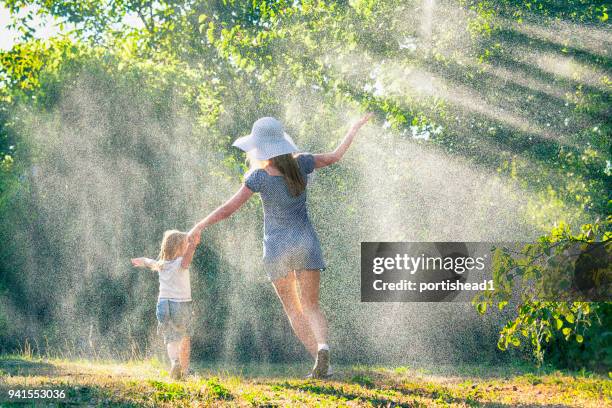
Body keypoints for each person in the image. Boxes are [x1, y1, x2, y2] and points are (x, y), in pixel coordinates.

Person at [189, 113, 373, 378]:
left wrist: (199, 226)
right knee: (312, 307)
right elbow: (335, 156)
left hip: (277, 249)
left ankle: (323, 365)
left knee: (294, 310)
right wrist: (353, 128)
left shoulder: (259, 177)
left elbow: (228, 209)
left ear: (260, 146)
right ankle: (323, 349)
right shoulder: (303, 164)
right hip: (305, 243)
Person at [131, 229, 200, 379]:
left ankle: (175, 362)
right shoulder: (181, 264)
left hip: (163, 305)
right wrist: (193, 245)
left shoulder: (161, 264)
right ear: (180, 248)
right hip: (180, 305)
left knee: (171, 338)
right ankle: (186, 371)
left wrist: (141, 260)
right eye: (185, 244)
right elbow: (188, 257)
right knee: (185, 337)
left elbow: (148, 262)